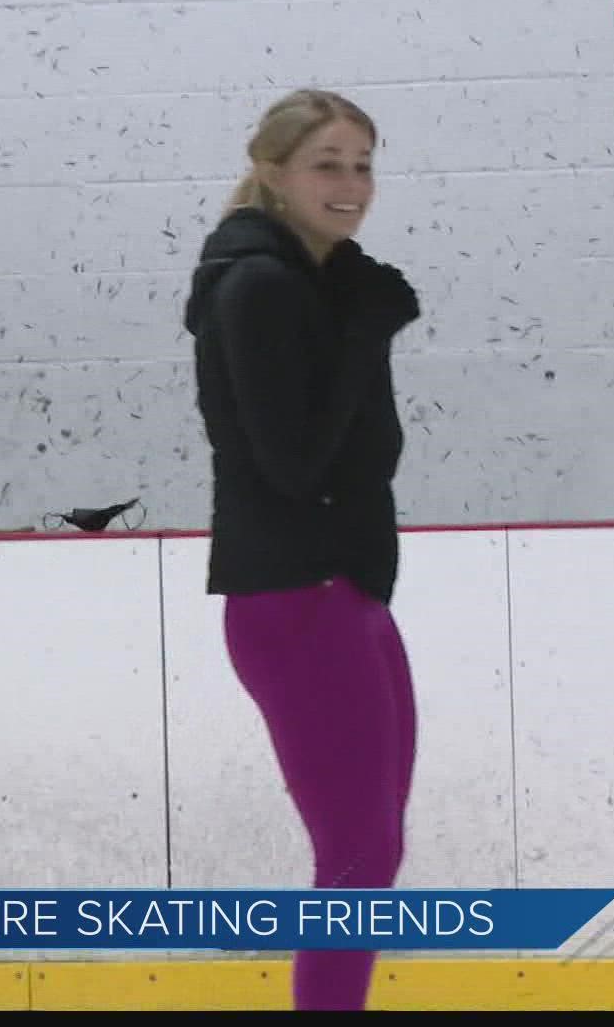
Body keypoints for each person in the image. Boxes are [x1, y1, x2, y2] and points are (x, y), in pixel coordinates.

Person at [181, 88, 421, 1012]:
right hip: (297, 595)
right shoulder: (261, 287)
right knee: (357, 856)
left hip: (342, 589)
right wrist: (365, 332)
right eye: (328, 162)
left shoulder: (318, 283)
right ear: (275, 172)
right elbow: (291, 462)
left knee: (374, 850)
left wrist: (359, 322)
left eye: (362, 164)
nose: (351, 183)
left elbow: (365, 451)